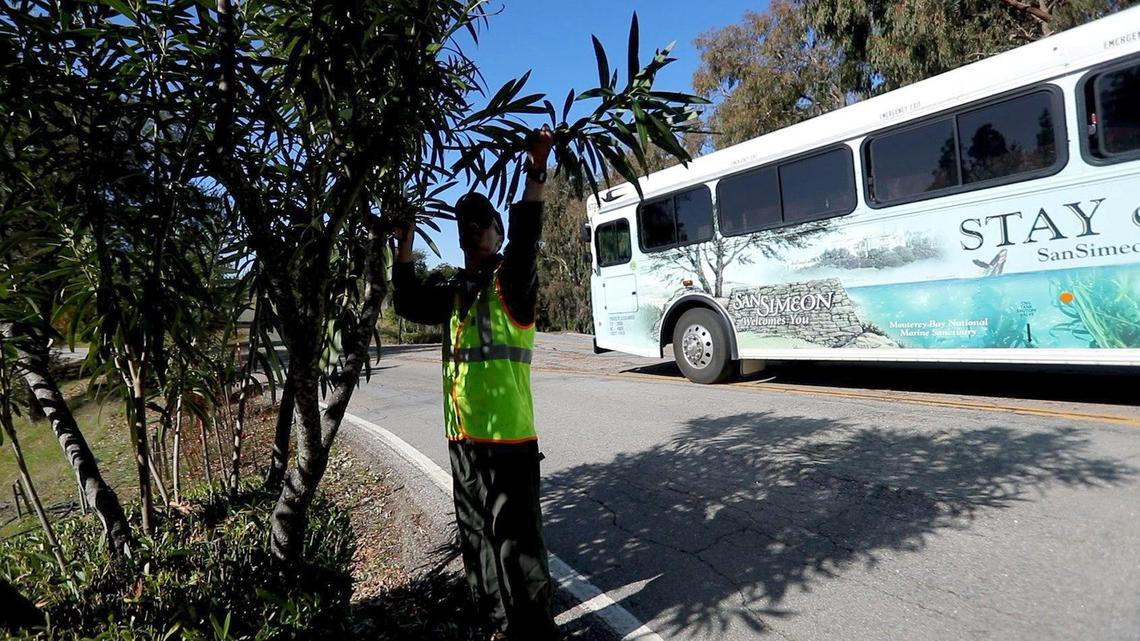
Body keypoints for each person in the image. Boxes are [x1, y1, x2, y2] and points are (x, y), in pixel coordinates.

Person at [392, 126, 559, 641]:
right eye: (464, 223)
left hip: (507, 439)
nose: (471, 229)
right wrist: (404, 242)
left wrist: (535, 169)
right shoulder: (453, 290)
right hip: (462, 440)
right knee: (477, 540)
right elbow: (406, 302)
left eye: (480, 222)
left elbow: (528, 237)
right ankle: (495, 626)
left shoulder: (511, 281)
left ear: (495, 231)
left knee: (518, 546)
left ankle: (535, 632)